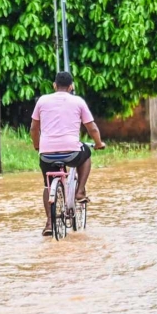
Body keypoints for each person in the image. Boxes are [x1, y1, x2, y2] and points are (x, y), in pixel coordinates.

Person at [30, 71, 106, 236]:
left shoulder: (42, 100)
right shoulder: (78, 101)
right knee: (86, 154)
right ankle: (80, 191)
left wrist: (37, 146)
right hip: (72, 152)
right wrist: (99, 144)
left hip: (47, 153)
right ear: (71, 86)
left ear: (54, 85)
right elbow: (91, 127)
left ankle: (50, 223)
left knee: (47, 185)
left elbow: (34, 128)